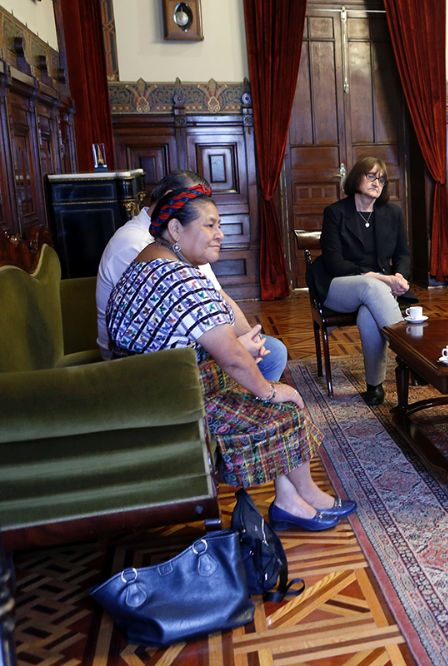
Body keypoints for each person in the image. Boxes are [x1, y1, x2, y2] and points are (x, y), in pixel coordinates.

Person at [106, 186, 356, 531]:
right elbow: (233, 360)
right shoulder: (178, 278)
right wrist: (269, 390)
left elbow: (200, 338)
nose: (220, 234)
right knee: (285, 404)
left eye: (219, 225)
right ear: (176, 229)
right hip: (172, 405)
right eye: (209, 225)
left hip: (153, 387)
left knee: (274, 391)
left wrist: (241, 348)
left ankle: (294, 497)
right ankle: (297, 499)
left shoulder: (151, 260)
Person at [96, 171, 287, 381]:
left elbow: (218, 295)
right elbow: (157, 340)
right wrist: (237, 349)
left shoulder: (177, 245)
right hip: (150, 371)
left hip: (180, 352)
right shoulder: (135, 244)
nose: (219, 234)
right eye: (208, 223)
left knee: (270, 351)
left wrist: (250, 339)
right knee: (271, 360)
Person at [315, 157, 411, 407]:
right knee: (372, 286)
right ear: (356, 177)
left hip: (378, 290)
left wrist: (399, 276)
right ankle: (411, 353)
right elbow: (334, 262)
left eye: (381, 179)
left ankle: (374, 386)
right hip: (338, 285)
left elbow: (402, 254)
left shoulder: (392, 213)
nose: (376, 183)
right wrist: (380, 278)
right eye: (371, 176)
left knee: (369, 314)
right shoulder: (335, 213)